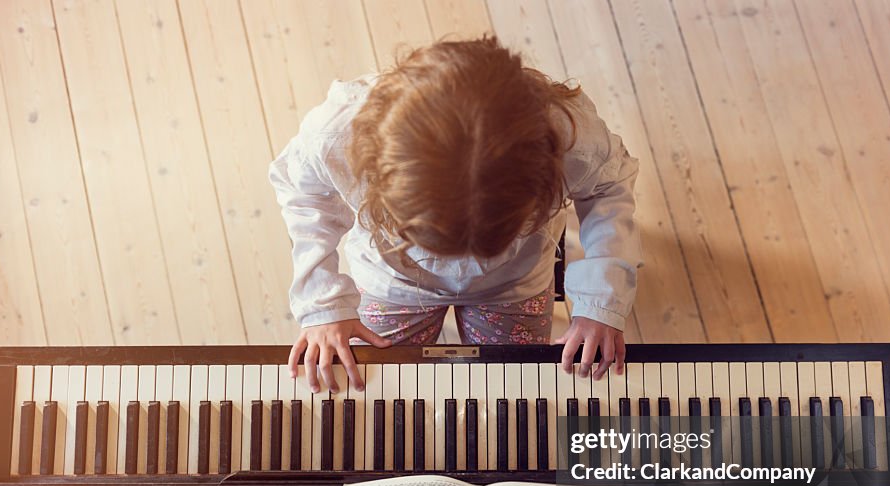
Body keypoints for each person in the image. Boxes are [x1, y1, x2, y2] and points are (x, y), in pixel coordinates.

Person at [269, 36, 640, 393]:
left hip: (512, 282)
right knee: (385, 386)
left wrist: (600, 302)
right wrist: (324, 304)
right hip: (394, 279)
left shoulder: (571, 135)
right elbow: (303, 191)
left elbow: (608, 186)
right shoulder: (335, 135)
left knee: (509, 390)